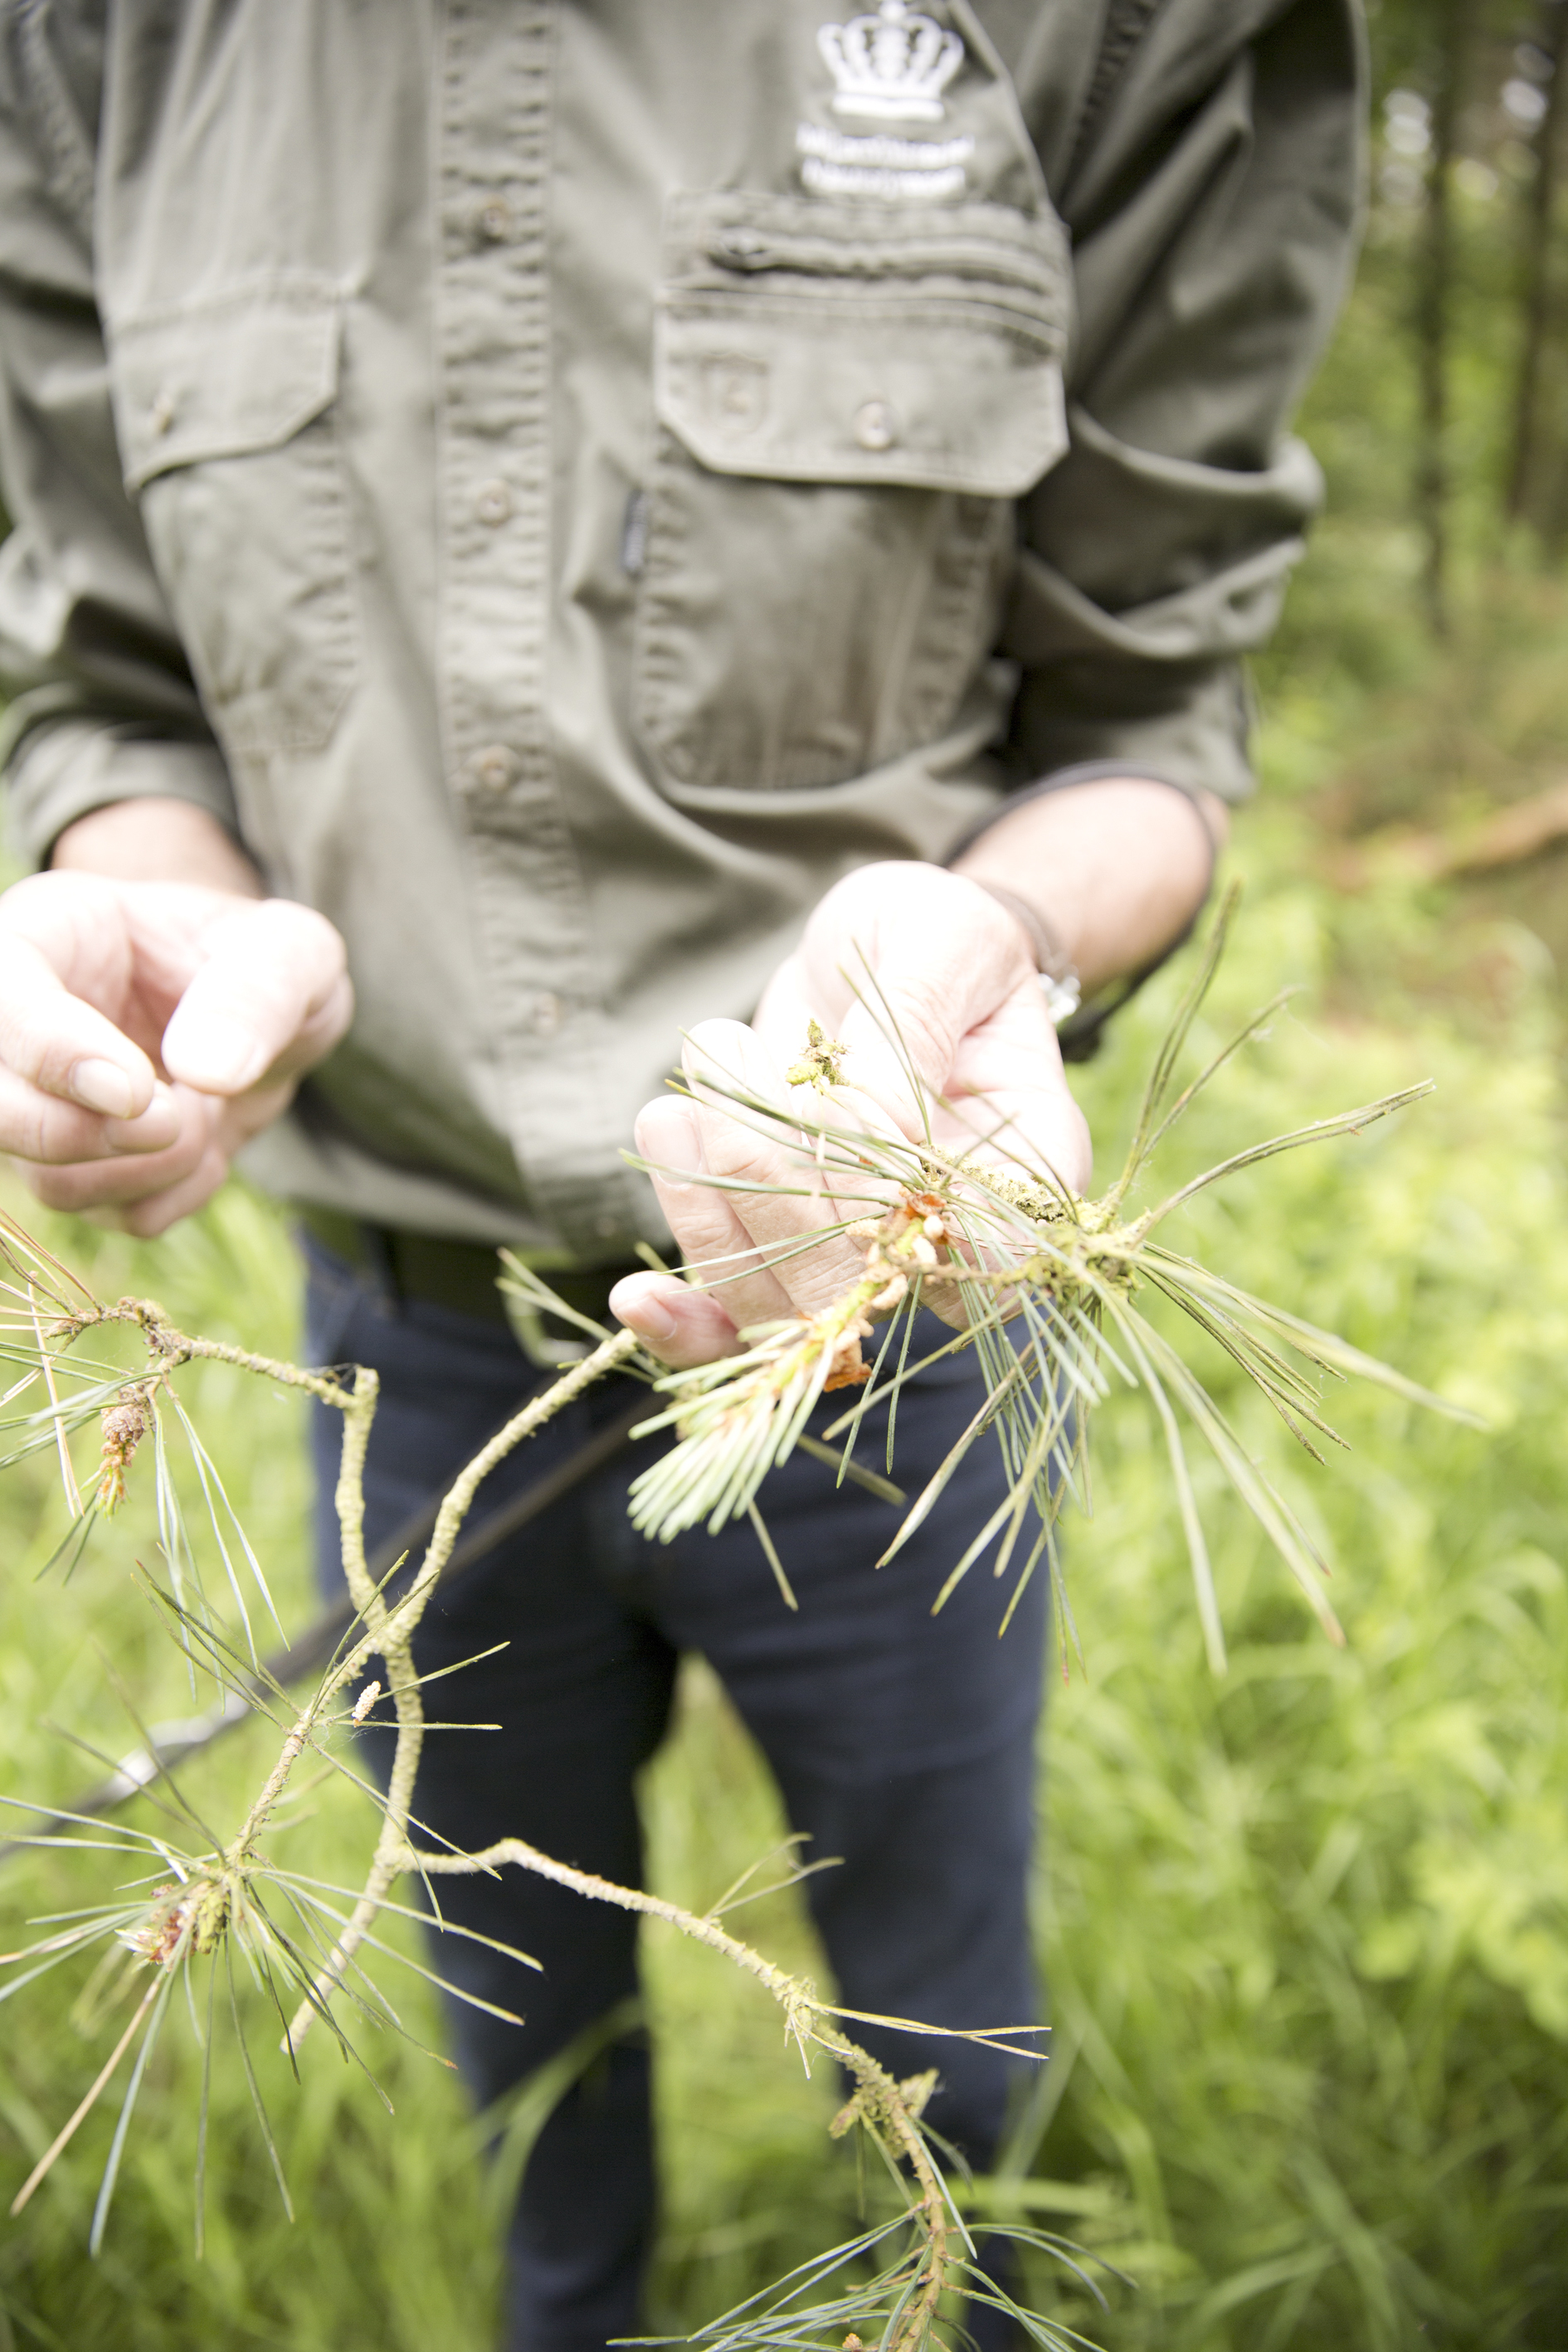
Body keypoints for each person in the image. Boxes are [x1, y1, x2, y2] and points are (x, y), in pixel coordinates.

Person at [0, 4, 1361, 2345]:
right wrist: (173, 923)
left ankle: (961, 2288)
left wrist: (1001, 935)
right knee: (521, 2034)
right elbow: (105, 684)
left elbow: (1146, 724)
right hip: (410, 1341)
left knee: (948, 2019)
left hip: (888, 1339)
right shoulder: (100, 40)